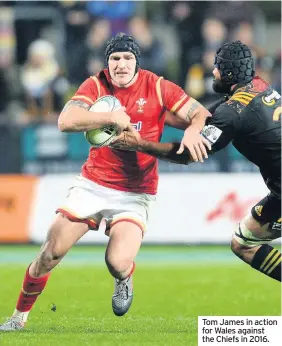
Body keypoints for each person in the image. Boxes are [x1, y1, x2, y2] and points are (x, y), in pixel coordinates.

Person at [0, 33, 212, 331]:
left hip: (135, 192)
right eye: (115, 58)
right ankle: (18, 317)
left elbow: (200, 113)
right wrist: (110, 116)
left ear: (137, 62)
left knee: (116, 261)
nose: (121, 64)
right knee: (51, 252)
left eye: (127, 58)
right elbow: (65, 120)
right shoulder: (97, 84)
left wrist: (193, 130)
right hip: (93, 184)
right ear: (107, 62)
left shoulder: (158, 86)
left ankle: (124, 279)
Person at [111, 41, 281, 282]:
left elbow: (188, 154)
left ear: (230, 72)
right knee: (243, 243)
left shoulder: (233, 113)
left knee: (244, 244)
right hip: (279, 192)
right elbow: (208, 117)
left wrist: (139, 143)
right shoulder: (257, 86)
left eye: (218, 67)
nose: (214, 72)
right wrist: (153, 110)